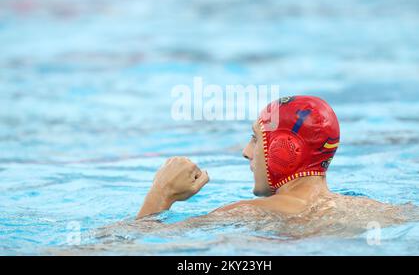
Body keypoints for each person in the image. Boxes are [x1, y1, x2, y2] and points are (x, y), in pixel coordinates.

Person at [136, 96, 402, 227]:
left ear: (285, 150)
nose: (246, 151)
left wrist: (161, 193)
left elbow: (127, 246)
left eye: (255, 138)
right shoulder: (378, 211)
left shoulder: (248, 213)